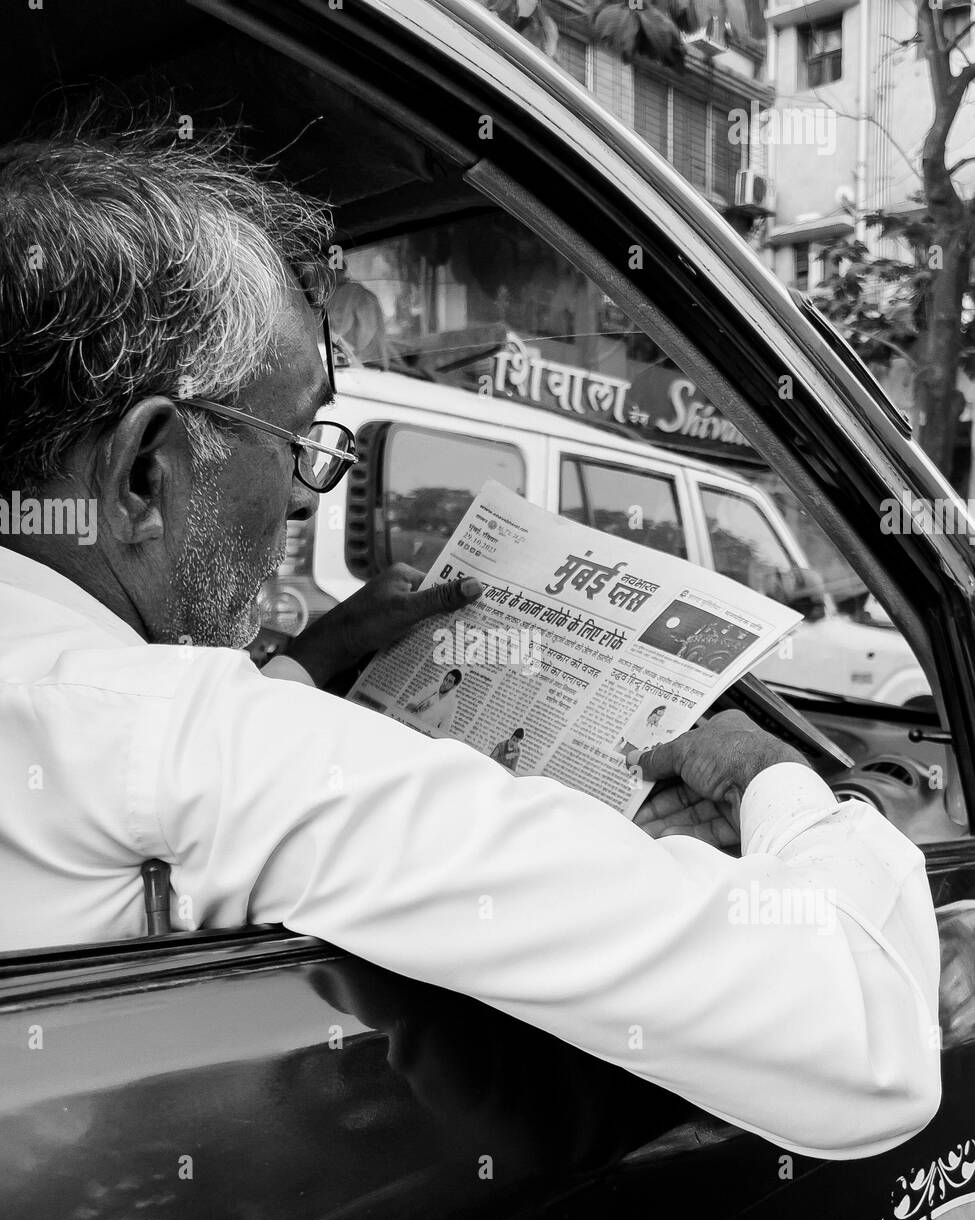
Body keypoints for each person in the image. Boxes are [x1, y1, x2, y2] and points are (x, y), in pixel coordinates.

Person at [0, 122, 942, 1158]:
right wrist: (789, 788)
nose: (307, 499)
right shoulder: (179, 743)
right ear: (145, 473)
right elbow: (862, 1034)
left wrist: (312, 661)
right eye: (298, 442)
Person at [405, 669, 462, 734]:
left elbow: (444, 729)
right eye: (446, 679)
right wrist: (414, 708)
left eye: (450, 682)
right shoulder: (431, 689)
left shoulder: (451, 704)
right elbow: (409, 705)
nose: (445, 683)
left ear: (454, 686)